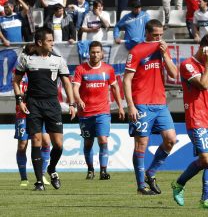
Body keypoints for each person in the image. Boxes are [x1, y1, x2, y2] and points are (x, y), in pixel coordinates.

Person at [13, 27, 76, 191]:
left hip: (52, 105)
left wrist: (71, 103)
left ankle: (52, 169)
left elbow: (67, 83)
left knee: (58, 145)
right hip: (33, 104)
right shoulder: (26, 58)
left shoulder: (58, 59)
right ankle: (39, 181)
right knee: (36, 141)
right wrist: (20, 101)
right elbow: (16, 81)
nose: (52, 43)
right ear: (39, 42)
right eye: (49, 40)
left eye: (52, 40)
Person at [171, 34, 208, 209]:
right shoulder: (187, 64)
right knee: (205, 158)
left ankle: (205, 200)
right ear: (204, 48)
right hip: (197, 118)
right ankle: (179, 184)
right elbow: (203, 84)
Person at [123, 19, 178, 195]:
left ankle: (151, 172)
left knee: (170, 139)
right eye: (155, 35)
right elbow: (126, 79)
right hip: (141, 104)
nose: (159, 38)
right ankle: (141, 186)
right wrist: (130, 105)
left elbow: (174, 73)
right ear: (146, 33)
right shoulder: (136, 51)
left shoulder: (162, 49)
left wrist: (165, 55)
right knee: (141, 145)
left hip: (160, 103)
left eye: (161, 35)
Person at [72, 41, 125, 180]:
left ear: (102, 54)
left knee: (103, 139)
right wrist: (79, 100)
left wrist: (120, 106)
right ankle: (90, 170)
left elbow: (115, 88)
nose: (95, 55)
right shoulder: (80, 69)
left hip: (103, 112)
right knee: (88, 142)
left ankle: (103, 171)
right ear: (88, 53)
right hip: (85, 113)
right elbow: (75, 88)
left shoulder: (108, 69)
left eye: (97, 52)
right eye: (92, 52)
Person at [15, 43, 51, 187]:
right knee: (23, 145)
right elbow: (16, 88)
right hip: (23, 112)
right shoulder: (19, 70)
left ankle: (42, 174)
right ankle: (24, 178)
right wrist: (23, 99)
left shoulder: (41, 68)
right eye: (29, 54)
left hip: (40, 111)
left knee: (46, 142)